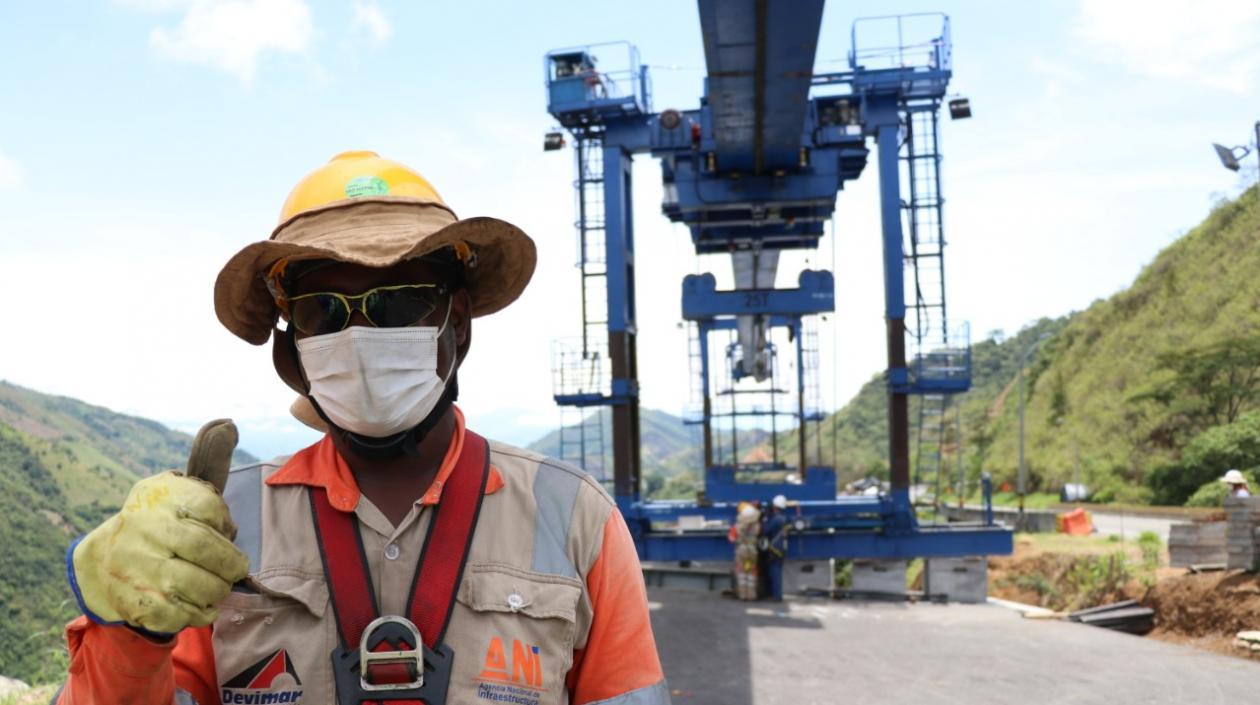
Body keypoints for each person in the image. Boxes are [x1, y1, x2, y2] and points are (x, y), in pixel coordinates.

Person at [56, 151, 670, 705]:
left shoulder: (576, 517)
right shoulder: (217, 526)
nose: (358, 335)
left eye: (399, 301)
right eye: (322, 309)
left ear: (456, 323)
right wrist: (129, 629)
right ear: (292, 346)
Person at [760, 495, 790, 601]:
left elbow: (765, 530)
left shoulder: (776, 519)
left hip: (775, 549)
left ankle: (777, 596)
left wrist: (765, 519)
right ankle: (775, 594)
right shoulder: (782, 518)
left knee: (775, 571)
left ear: (775, 506)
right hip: (781, 548)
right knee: (776, 570)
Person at [730, 503, 761, 600]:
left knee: (741, 572)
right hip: (752, 550)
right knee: (751, 572)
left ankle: (743, 595)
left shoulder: (737, 527)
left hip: (741, 550)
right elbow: (760, 534)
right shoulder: (757, 526)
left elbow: (731, 538)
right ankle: (752, 595)